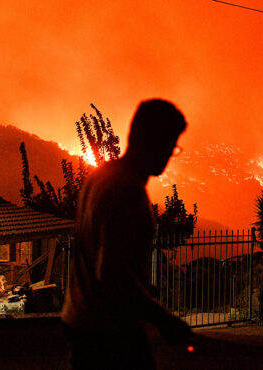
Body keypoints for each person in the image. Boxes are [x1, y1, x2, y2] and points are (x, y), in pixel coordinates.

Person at [61, 99, 192, 370]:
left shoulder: (100, 176)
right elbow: (111, 274)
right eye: (170, 144)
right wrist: (164, 319)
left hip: (82, 321)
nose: (170, 154)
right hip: (109, 331)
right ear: (150, 140)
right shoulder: (126, 191)